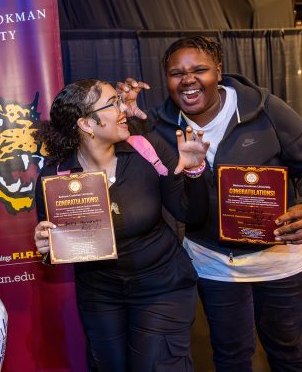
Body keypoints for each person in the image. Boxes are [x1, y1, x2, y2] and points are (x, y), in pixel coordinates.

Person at [134, 36, 302, 371]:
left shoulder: (264, 108)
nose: (187, 79)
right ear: (165, 79)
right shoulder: (159, 124)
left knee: (288, 353)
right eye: (176, 73)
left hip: (280, 261)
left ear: (219, 70)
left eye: (199, 69)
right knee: (231, 357)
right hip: (214, 263)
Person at [33, 79, 210, 371]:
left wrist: (195, 171)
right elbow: (56, 246)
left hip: (161, 286)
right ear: (87, 124)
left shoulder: (146, 149)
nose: (124, 109)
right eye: (113, 104)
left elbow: (190, 214)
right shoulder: (57, 176)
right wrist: (45, 248)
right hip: (100, 295)